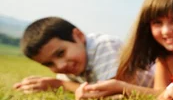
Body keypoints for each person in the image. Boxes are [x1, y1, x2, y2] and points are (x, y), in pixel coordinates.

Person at [75, 0, 173, 100]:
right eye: (157, 23)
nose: (166, 31)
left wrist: (121, 87)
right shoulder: (164, 58)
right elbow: (161, 95)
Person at [13, 16, 151, 92]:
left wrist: (59, 84)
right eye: (49, 64)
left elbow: (109, 93)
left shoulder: (103, 46)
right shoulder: (69, 65)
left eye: (61, 53)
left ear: (78, 36)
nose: (60, 66)